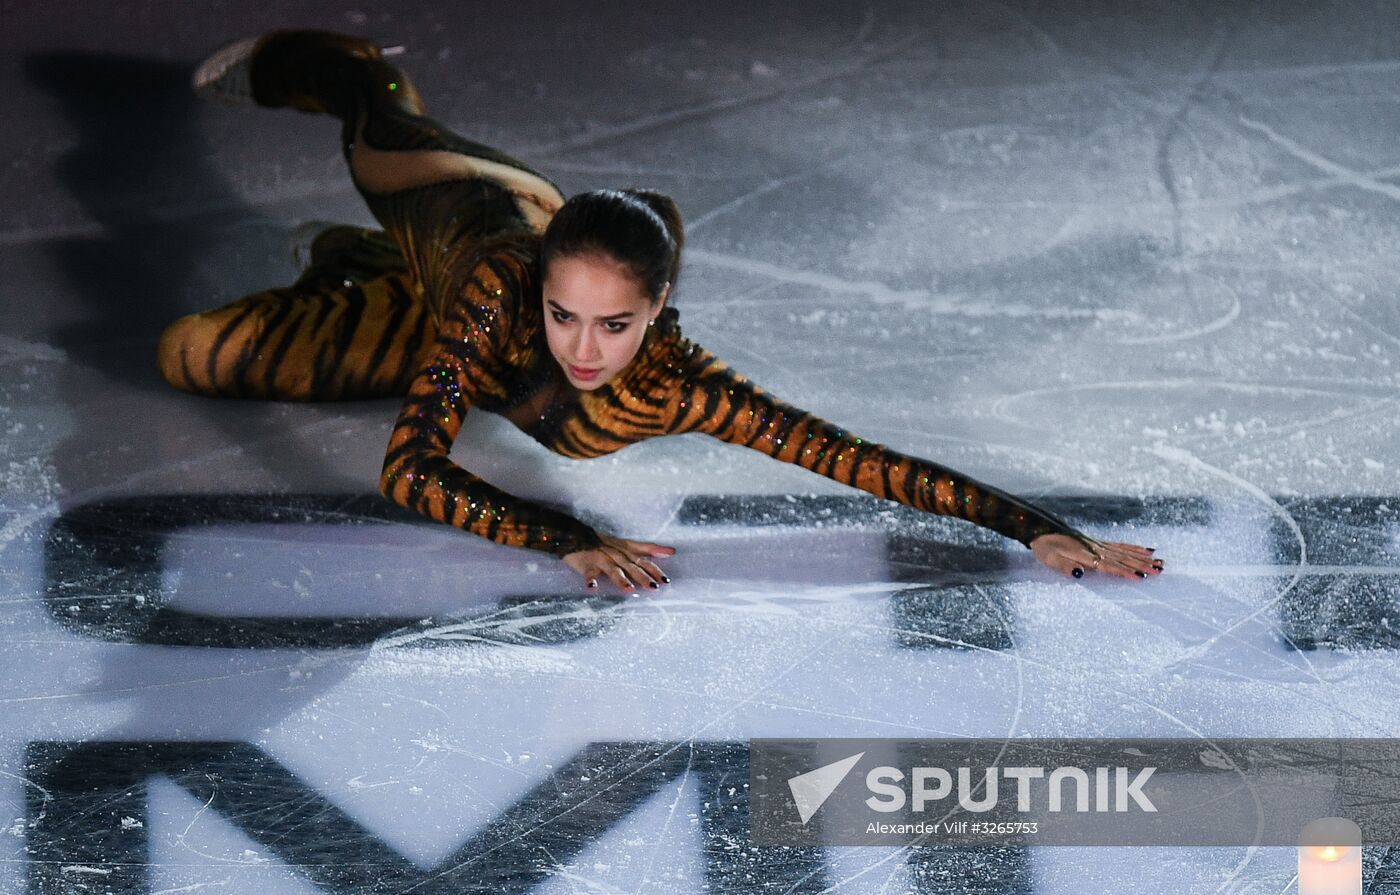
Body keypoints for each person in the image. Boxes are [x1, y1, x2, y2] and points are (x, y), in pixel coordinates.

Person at [158, 29, 1164, 594]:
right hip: (457, 209)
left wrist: (1033, 528)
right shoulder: (497, 294)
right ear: (540, 285)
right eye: (562, 314)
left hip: (436, 319)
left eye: (613, 325)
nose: (581, 349)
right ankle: (349, 65)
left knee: (191, 354)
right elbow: (408, 469)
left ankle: (357, 265)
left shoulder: (684, 388)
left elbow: (858, 461)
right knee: (375, 118)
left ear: (657, 310)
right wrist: (559, 534)